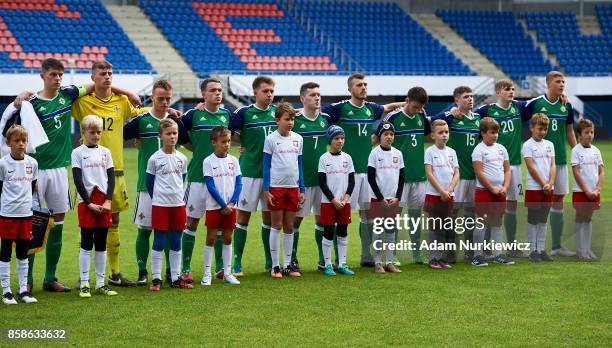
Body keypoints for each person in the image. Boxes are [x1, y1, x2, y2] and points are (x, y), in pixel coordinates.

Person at [14, 58, 137, 292]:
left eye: (60, 75)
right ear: (42, 76)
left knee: (58, 225)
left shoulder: (68, 94)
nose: (58, 79)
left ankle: (50, 278)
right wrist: (21, 94)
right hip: (38, 170)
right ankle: (27, 280)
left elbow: (97, 85)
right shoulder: (31, 103)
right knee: (34, 226)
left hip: (60, 170)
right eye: (52, 75)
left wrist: (127, 90)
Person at [72, 60, 177, 286]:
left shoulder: (121, 102)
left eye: (110, 73)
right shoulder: (82, 102)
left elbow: (143, 112)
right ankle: (85, 278)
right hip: (89, 173)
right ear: (93, 77)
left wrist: (168, 109)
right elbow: (68, 93)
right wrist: (127, 89)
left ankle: (114, 274)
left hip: (115, 172)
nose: (107, 77)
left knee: (113, 221)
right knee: (88, 225)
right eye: (102, 73)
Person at [322, 73, 404, 267]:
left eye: (365, 84)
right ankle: (337, 259)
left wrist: (405, 103)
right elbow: (316, 111)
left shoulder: (371, 109)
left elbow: (386, 108)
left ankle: (366, 255)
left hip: (367, 172)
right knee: (340, 214)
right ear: (350, 89)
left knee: (367, 215)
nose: (363, 88)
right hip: (345, 173)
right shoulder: (340, 108)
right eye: (359, 85)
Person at [123, 80, 178, 285]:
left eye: (167, 99)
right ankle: (142, 271)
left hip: (171, 188)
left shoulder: (174, 122)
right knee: (145, 230)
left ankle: (170, 271)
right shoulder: (141, 121)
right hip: (146, 187)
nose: (164, 102)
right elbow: (118, 135)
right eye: (160, 98)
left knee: (168, 231)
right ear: (152, 98)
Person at [181, 78, 232, 281]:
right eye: (213, 90)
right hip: (197, 178)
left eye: (220, 90)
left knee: (220, 223)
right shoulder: (193, 115)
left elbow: (236, 133)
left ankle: (220, 267)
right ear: (203, 94)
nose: (217, 93)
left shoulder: (226, 115)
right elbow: (179, 132)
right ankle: (185, 268)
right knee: (191, 222)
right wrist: (198, 149)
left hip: (220, 180)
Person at [474, 79, 531, 257]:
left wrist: (561, 97)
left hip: (513, 165)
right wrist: (454, 110)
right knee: (490, 207)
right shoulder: (486, 110)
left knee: (512, 206)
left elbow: (540, 101)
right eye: (507, 89)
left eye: (513, 89)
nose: (511, 92)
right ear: (498, 92)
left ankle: (512, 245)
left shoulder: (519, 107)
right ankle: (485, 245)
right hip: (494, 167)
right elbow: (468, 115)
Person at [524, 71, 577, 257]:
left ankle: (556, 246)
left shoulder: (566, 105)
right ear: (548, 83)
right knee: (538, 206)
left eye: (563, 81)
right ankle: (534, 247)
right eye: (558, 81)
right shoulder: (536, 103)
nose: (562, 84)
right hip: (539, 161)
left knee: (559, 200)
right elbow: (516, 112)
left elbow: (570, 130)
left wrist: (577, 152)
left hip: (559, 160)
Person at [230, 76, 277, 276]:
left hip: (272, 175)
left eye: (271, 91)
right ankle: (237, 262)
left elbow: (300, 114)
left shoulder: (278, 113)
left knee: (269, 218)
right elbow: (227, 129)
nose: (269, 95)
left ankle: (269, 261)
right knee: (243, 217)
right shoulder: (244, 113)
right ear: (255, 93)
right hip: (249, 172)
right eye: (265, 91)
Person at [383, 86, 431, 264]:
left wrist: (422, 114)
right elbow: (379, 138)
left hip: (418, 175)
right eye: (414, 107)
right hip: (398, 177)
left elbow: (428, 134)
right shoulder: (394, 117)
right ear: (407, 100)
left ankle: (417, 253)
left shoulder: (421, 117)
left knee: (415, 216)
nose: (417, 110)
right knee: (395, 215)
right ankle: (392, 253)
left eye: (420, 108)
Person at [433, 86, 480, 262]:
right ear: (457, 100)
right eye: (466, 97)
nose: (470, 99)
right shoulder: (451, 118)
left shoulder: (477, 119)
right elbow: (434, 122)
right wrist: (450, 112)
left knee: (471, 214)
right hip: (456, 176)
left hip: (474, 175)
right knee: (452, 214)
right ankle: (449, 251)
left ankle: (469, 250)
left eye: (471, 96)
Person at [72, 115, 117, 297]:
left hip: (104, 202)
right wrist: (88, 202)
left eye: (99, 132)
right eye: (92, 132)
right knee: (86, 242)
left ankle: (100, 283)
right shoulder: (77, 152)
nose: (96, 135)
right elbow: (77, 179)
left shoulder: (105, 152)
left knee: (101, 242)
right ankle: (84, 284)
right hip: (87, 202)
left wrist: (107, 200)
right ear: (83, 132)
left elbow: (111, 177)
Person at [146, 119, 191, 290]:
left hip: (178, 205)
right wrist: (158, 198)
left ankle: (175, 277)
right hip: (160, 205)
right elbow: (150, 183)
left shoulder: (182, 158)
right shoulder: (155, 158)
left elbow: (183, 179)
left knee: (175, 241)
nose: (172, 137)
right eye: (168, 134)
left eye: (175, 133)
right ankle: (156, 279)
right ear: (160, 136)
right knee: (158, 241)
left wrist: (176, 196)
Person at [263, 102, 305, 278]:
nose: (290, 122)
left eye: (292, 119)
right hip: (276, 187)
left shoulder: (298, 139)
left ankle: (288, 264)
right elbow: (266, 166)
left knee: (289, 226)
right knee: (277, 225)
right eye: (287, 119)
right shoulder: (271, 139)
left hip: (293, 188)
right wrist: (266, 190)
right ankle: (275, 266)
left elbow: (299, 164)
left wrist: (301, 188)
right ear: (277, 120)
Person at [293, 82, 331, 271]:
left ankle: (323, 260)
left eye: (319, 94)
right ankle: (292, 259)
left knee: (322, 220)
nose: (317, 98)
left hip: (322, 181)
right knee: (296, 221)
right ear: (302, 99)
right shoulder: (295, 120)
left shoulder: (326, 119)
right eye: (312, 95)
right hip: (302, 181)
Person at [0, 125, 38, 304]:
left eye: (24, 141)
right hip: (7, 215)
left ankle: (23, 290)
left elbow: (32, 188)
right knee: (6, 252)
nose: (21, 144)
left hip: (26, 215)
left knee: (23, 252)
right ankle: (6, 291)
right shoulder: (3, 163)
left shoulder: (33, 163)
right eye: (17, 141)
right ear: (8, 143)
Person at [201, 126, 242, 285]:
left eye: (229, 141)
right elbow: (210, 185)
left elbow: (239, 183)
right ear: (214, 142)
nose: (227, 144)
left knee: (227, 237)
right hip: (214, 207)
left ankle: (227, 272)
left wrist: (231, 203)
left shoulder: (234, 160)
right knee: (211, 238)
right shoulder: (208, 161)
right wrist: (223, 204)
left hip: (231, 207)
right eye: (223, 141)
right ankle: (207, 273)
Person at [471, 118, 513, 266]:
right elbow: (479, 173)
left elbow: (507, 170)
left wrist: (505, 187)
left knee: (497, 222)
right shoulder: (479, 150)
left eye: (497, 132)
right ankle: (477, 255)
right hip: (484, 191)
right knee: (481, 221)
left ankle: (497, 254)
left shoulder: (501, 149)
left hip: (500, 192)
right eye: (492, 132)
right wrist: (492, 188)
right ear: (483, 133)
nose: (495, 135)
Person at [317, 125, 355, 276]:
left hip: (344, 203)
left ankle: (342, 264)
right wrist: (333, 200)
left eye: (342, 138)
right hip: (329, 203)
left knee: (343, 231)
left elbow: (352, 182)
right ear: (330, 140)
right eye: (336, 138)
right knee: (328, 231)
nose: (340, 141)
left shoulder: (348, 158)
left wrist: (345, 199)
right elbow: (322, 182)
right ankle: (327, 265)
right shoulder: (323, 158)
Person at [367, 122, 404, 273]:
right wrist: (380, 198)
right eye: (385, 134)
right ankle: (377, 262)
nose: (389, 137)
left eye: (391, 134)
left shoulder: (398, 153)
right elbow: (371, 178)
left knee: (390, 231)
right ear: (380, 136)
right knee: (378, 231)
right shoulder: (374, 153)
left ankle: (389, 262)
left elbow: (402, 178)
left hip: (393, 199)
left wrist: (397, 197)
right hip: (378, 199)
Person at [423, 119, 459, 269]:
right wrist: (441, 191)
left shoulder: (452, 152)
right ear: (433, 136)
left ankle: (441, 257)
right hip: (434, 195)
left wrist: (449, 190)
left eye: (446, 132)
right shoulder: (430, 151)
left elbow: (457, 173)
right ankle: (433, 258)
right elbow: (430, 174)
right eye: (440, 133)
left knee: (445, 227)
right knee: (434, 227)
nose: (444, 135)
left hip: (449, 195)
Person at [522, 113, 556, 262]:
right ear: (531, 128)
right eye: (540, 128)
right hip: (534, 188)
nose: (543, 132)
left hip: (549, 187)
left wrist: (551, 182)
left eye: (545, 129)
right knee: (533, 219)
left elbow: (553, 165)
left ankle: (541, 249)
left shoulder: (550, 145)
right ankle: (532, 250)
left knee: (543, 219)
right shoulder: (528, 145)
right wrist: (543, 184)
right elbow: (531, 167)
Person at [570, 119, 604, 260]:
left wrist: (597, 189)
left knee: (589, 218)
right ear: (579, 134)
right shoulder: (576, 151)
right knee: (580, 217)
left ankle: (587, 249)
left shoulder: (596, 150)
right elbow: (576, 172)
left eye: (592, 132)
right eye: (586, 132)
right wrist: (586, 190)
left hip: (594, 192)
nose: (589, 135)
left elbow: (601, 171)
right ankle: (580, 250)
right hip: (581, 191)